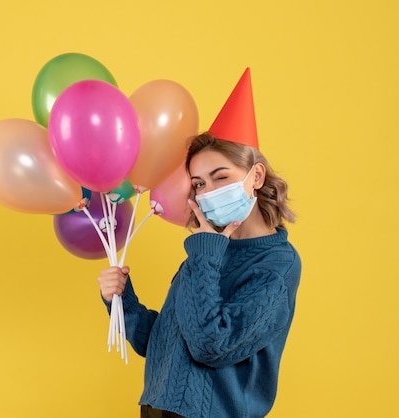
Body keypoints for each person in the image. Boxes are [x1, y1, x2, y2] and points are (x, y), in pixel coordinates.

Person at [97, 69, 301, 418]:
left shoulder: (276, 266)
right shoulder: (209, 250)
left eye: (220, 177)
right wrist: (120, 299)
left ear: (256, 176)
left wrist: (205, 251)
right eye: (199, 184)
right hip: (156, 409)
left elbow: (211, 345)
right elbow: (165, 342)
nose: (209, 191)